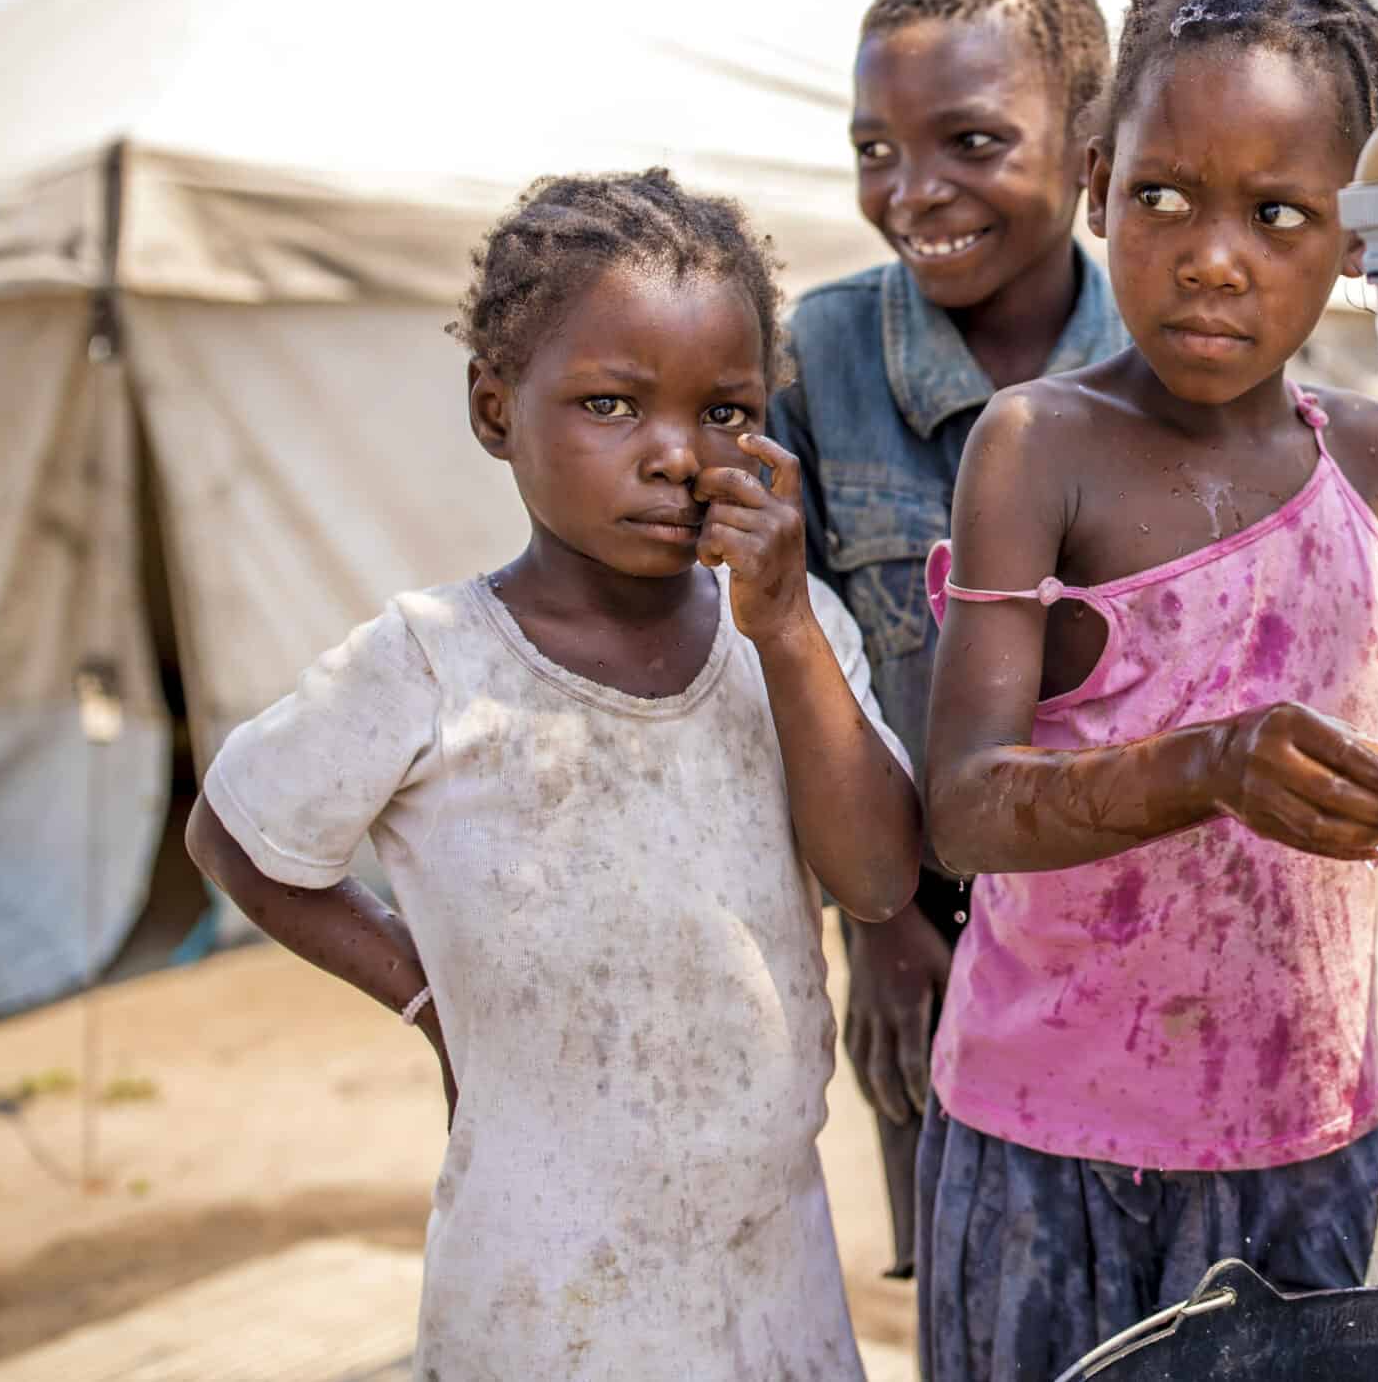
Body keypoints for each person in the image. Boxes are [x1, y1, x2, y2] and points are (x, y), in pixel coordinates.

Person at [916, 0, 1378, 1382]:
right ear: (1099, 181)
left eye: (1278, 212)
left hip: (1305, 1136)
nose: (1211, 252)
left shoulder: (1367, 451)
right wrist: (1206, 764)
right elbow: (966, 805)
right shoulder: (1040, 446)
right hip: (1057, 1149)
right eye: (1163, 194)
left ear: (1354, 236)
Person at [185, 169, 921, 1379]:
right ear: (494, 410)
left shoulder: (791, 636)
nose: (678, 456)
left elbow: (880, 878)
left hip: (768, 1274)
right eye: (610, 405)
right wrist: (427, 1001)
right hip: (542, 1294)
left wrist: (784, 629)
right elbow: (235, 835)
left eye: (726, 412)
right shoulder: (430, 662)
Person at [771, 0, 1127, 1278]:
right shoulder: (819, 360)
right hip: (928, 934)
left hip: (1149, 933)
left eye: (970, 140)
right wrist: (878, 926)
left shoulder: (1184, 350)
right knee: (980, 1306)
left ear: (1088, 140)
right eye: (876, 148)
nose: (913, 194)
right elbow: (782, 660)